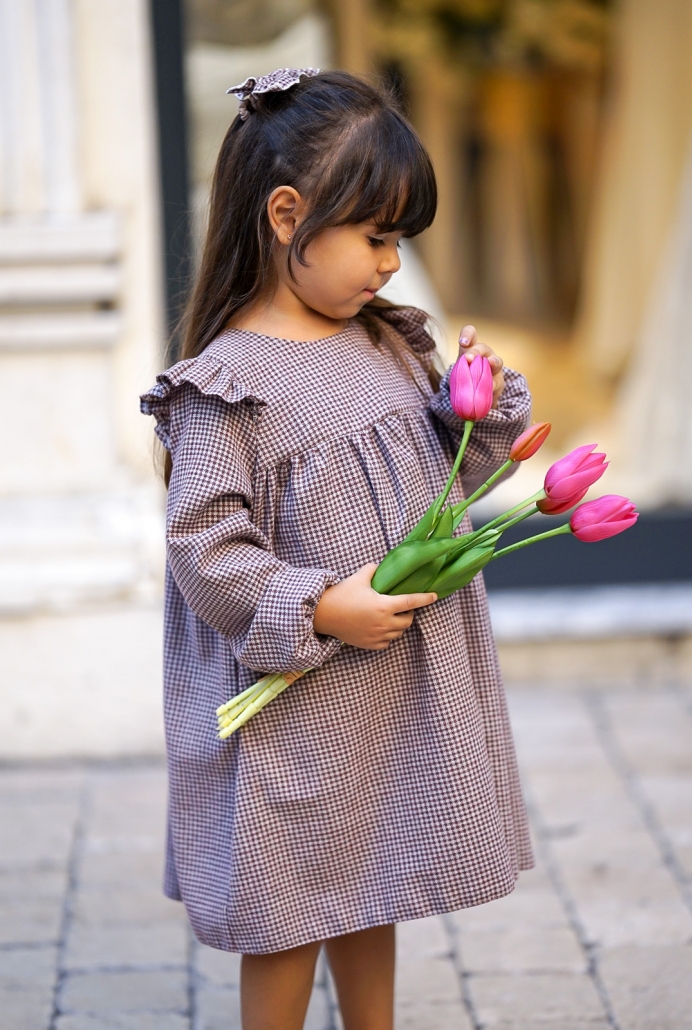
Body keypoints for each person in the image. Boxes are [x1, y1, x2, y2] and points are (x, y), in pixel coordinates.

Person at [141, 68, 534, 1030]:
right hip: (302, 703)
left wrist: (478, 403)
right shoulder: (229, 385)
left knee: (375, 868)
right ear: (286, 215)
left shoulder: (387, 344)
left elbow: (456, 473)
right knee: (290, 905)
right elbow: (206, 544)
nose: (392, 265)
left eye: (398, 240)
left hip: (392, 688)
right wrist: (318, 604)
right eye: (377, 237)